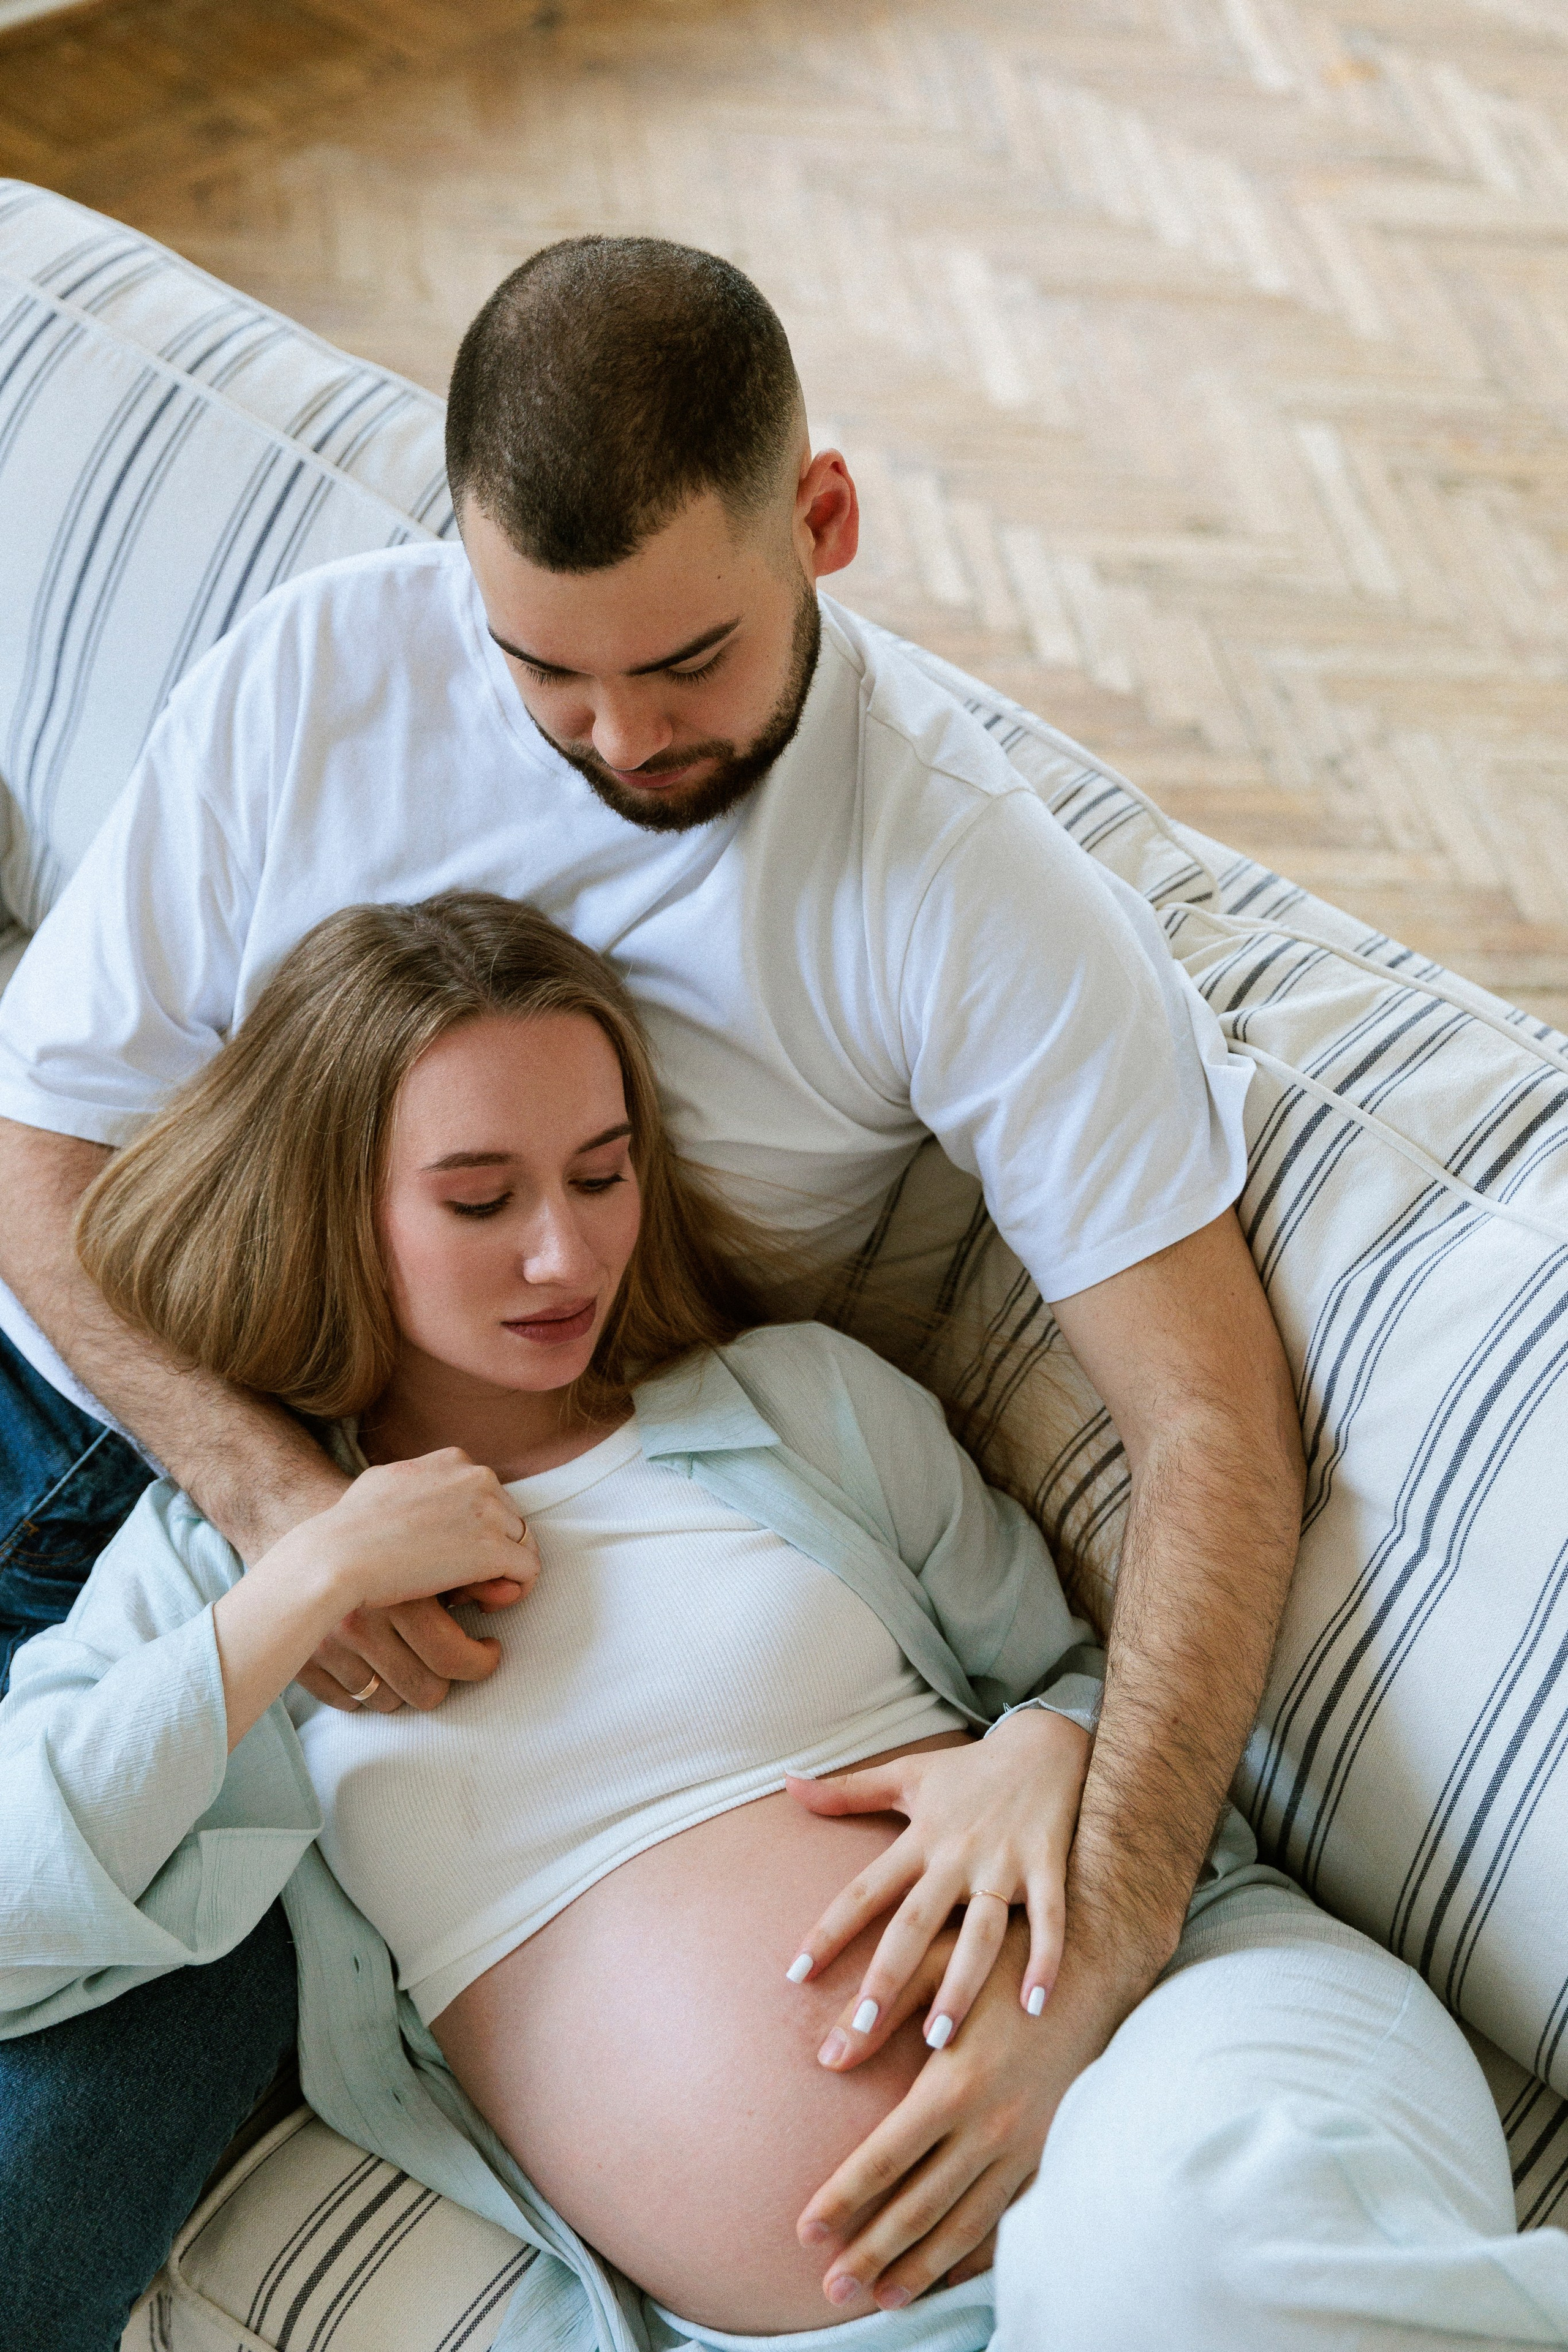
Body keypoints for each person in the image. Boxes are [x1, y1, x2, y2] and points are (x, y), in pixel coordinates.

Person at [0, 236, 1305, 2329]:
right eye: (543, 668)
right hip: (118, 1441)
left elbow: (1213, 1424)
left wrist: (1113, 1893)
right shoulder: (316, 675)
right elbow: (39, 1145)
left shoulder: (960, 895)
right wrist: (284, 1524)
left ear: (825, 523)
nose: (612, 734)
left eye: (684, 663)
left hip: (347, 1626)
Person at [3, 892, 1556, 2352]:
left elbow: (1077, 1671)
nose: (567, 1253)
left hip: (1169, 2053)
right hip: (890, 2315)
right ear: (334, 1205)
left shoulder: (800, 1404)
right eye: (482, 1199)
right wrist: (303, 1582)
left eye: (601, 1176)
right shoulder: (221, 1562)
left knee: (1177, 2267)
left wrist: (1041, 1741)